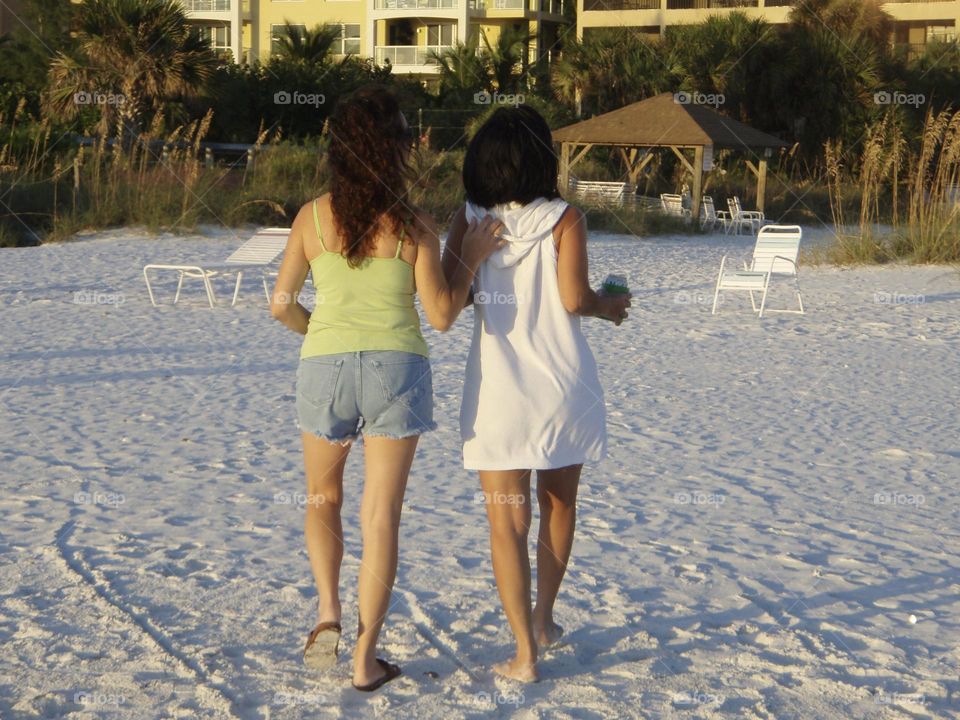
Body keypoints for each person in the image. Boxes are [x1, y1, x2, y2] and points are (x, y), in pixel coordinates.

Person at [270, 85, 504, 692]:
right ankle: (365, 658)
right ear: (393, 150)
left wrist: (317, 331)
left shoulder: (310, 217)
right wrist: (471, 256)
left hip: (324, 364)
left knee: (322, 499)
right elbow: (445, 313)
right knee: (382, 514)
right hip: (397, 369)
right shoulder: (411, 223)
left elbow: (280, 305)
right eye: (405, 136)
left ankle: (328, 611)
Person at [442, 105, 631, 682]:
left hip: (498, 393)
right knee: (559, 504)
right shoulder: (564, 218)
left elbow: (454, 299)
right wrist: (610, 305)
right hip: (561, 387)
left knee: (506, 522)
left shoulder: (467, 220)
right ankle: (545, 618)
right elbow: (575, 299)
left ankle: (523, 651)